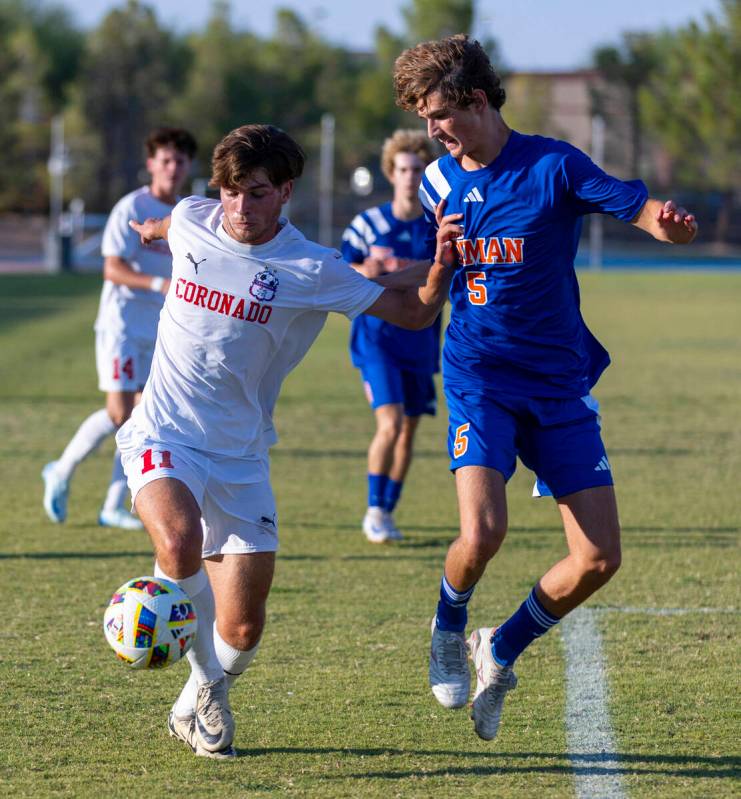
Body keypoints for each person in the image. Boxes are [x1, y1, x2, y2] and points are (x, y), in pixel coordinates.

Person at [119, 123, 458, 759]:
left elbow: (413, 311)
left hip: (241, 454)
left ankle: (196, 699)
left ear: (285, 192)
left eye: (255, 193)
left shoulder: (309, 267)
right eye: (229, 192)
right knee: (178, 539)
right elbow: (174, 224)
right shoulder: (195, 216)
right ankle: (210, 689)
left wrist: (442, 264)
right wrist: (150, 231)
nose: (239, 207)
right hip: (163, 429)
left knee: (242, 629)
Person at [393, 34, 698, 741]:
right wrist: (428, 269)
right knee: (484, 529)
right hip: (479, 376)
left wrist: (672, 228)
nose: (431, 131)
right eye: (420, 116)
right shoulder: (440, 181)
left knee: (598, 558)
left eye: (436, 113)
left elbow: (641, 210)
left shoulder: (553, 165)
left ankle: (499, 646)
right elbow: (432, 289)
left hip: (558, 384)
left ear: (474, 99)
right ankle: (448, 623)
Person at [42, 127, 197, 530]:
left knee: (143, 418)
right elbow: (112, 266)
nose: (172, 168)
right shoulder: (132, 206)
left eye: (179, 161)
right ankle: (61, 469)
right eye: (165, 160)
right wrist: (158, 284)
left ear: (188, 167)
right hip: (123, 327)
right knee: (120, 413)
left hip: (163, 330)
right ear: (151, 164)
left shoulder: (182, 213)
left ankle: (113, 504)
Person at [341, 130, 441, 543]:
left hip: (420, 337)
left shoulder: (438, 225)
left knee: (409, 429)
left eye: (418, 169)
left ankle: (386, 511)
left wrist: (388, 272)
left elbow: (443, 273)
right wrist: (384, 272)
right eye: (403, 169)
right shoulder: (367, 224)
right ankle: (374, 509)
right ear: (390, 173)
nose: (411, 177)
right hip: (376, 338)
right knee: (391, 422)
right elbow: (343, 274)